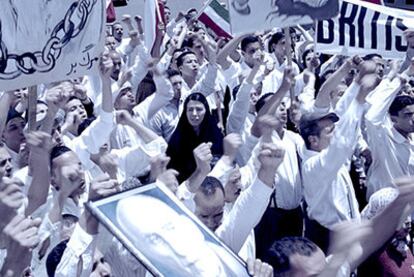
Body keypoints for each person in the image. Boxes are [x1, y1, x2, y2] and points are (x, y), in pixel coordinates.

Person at [116, 193, 272, 277]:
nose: (173, 247)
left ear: (188, 223)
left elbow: (249, 207)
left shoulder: (228, 253)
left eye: (169, 228)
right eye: (154, 240)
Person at [167, 93, 223, 182]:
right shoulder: (178, 138)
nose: (194, 113)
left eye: (199, 109)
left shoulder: (214, 133)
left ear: (206, 111)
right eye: (190, 109)